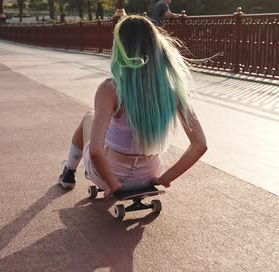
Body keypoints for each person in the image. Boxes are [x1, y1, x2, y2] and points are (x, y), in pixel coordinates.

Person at [58, 15, 207, 199]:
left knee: (90, 116)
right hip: (149, 177)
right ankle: (76, 171)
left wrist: (112, 184)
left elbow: (96, 150)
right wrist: (166, 178)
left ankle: (68, 171)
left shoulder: (110, 89)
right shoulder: (174, 90)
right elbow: (200, 145)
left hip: (110, 177)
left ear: (120, 48)